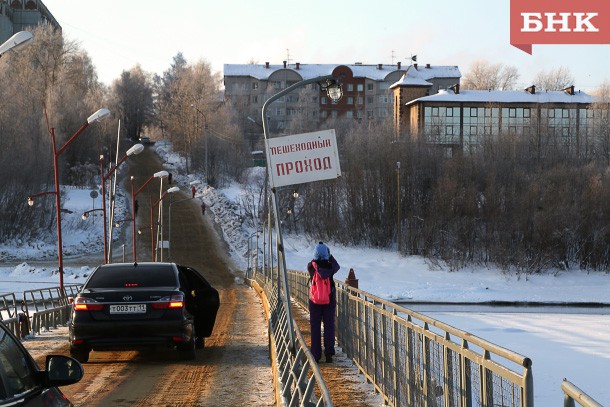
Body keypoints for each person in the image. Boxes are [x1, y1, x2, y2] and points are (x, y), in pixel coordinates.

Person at [307, 242, 340, 363]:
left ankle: (316, 354)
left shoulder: (311, 267)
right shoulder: (330, 268)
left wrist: (317, 256)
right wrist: (329, 256)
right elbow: (337, 266)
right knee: (329, 325)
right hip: (329, 300)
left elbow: (312, 261)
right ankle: (329, 353)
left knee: (315, 327)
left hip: (314, 301)